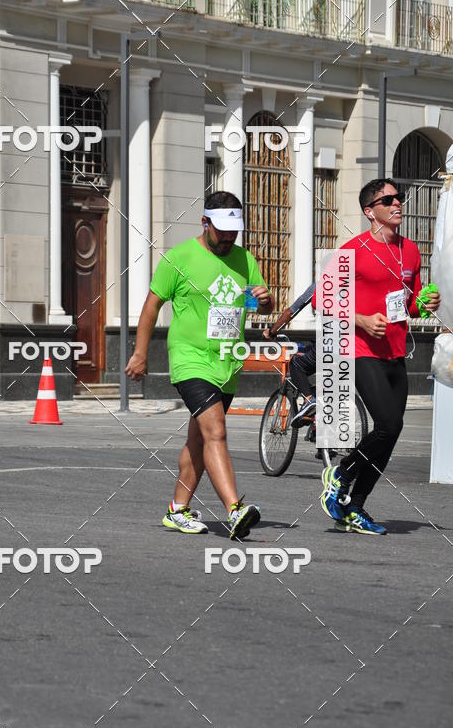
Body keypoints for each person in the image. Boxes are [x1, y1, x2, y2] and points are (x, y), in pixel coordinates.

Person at [125, 191, 274, 539]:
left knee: (199, 439)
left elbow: (259, 305)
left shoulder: (245, 260)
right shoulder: (178, 258)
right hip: (190, 359)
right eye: (221, 231)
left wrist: (266, 302)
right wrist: (140, 353)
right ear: (204, 223)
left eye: (233, 232)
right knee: (216, 431)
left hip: (227, 363)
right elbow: (151, 307)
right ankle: (235, 509)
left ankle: (177, 510)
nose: (227, 238)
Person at [318, 179, 440, 536]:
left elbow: (410, 304)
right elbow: (322, 301)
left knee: (392, 431)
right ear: (370, 211)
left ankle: (354, 507)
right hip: (360, 350)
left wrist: (424, 304)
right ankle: (339, 473)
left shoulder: (410, 252)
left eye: (398, 197)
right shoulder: (352, 250)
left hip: (395, 351)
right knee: (387, 424)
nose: (397, 203)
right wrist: (360, 319)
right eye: (387, 200)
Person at [263, 282, 317, 428]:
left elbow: (291, 312)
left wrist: (272, 331)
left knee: (296, 363)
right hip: (355, 346)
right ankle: (324, 447)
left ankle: (309, 400)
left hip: (330, 343)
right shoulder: (356, 285)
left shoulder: (323, 284)